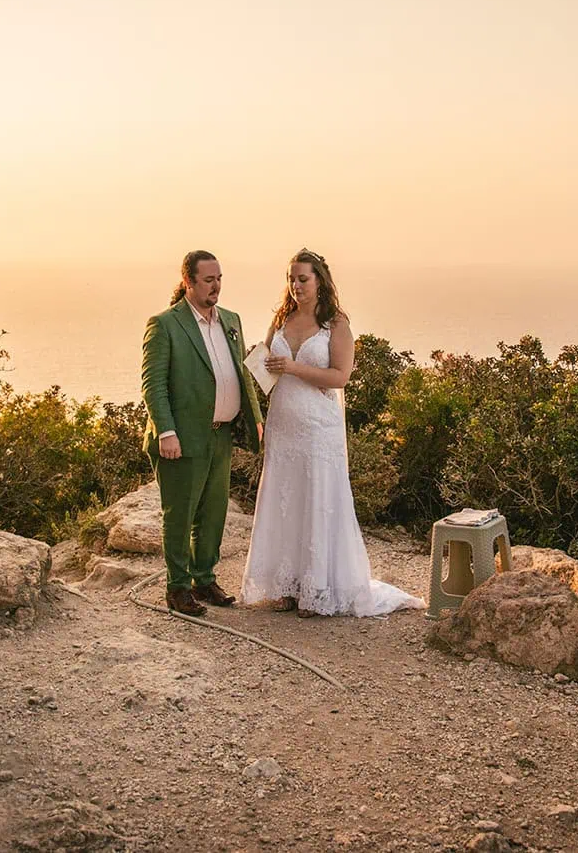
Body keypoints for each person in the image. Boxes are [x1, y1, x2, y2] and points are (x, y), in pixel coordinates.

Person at [240, 249, 423, 617]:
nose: (295, 286)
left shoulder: (336, 325)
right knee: (284, 500)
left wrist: (291, 367)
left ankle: (317, 589)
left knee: (316, 499)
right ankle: (286, 587)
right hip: (283, 425)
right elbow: (271, 371)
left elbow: (340, 377)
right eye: (291, 279)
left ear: (320, 281)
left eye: (303, 279)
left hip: (317, 429)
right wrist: (261, 367)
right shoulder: (281, 319)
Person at [141, 250, 264, 617]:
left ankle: (204, 578)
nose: (216, 286)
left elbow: (243, 375)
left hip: (220, 435)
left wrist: (256, 421)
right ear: (188, 282)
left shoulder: (231, 320)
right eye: (209, 280)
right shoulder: (164, 324)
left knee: (213, 513)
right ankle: (177, 588)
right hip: (182, 437)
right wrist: (166, 432)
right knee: (180, 515)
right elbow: (153, 384)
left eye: (220, 279)